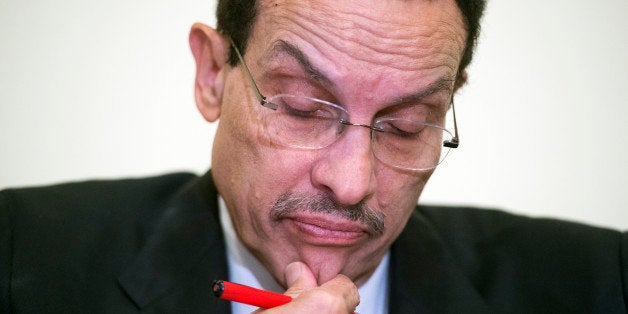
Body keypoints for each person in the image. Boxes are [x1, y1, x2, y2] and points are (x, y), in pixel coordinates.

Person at [1, 0, 626, 313]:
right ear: (214, 75)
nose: (351, 183)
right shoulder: (19, 257)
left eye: (406, 127)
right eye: (302, 109)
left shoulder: (603, 283)